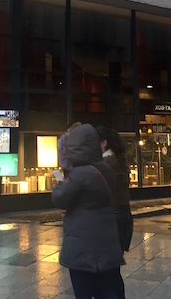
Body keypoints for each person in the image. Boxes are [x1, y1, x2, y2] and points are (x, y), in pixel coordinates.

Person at [52, 123, 125, 299]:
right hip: (105, 238)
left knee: (83, 289)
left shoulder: (79, 174)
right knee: (106, 287)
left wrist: (59, 183)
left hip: (83, 244)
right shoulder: (105, 168)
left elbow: (59, 198)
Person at [96, 127, 134, 253]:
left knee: (108, 259)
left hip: (112, 216)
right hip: (124, 214)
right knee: (115, 258)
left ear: (104, 143)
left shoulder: (105, 164)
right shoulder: (118, 160)